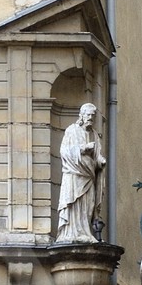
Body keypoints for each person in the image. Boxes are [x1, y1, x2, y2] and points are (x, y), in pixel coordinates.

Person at [56, 102, 106, 243]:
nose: (90, 117)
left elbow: (96, 156)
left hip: (89, 176)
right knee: (74, 204)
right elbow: (64, 152)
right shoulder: (71, 131)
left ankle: (85, 232)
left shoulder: (94, 135)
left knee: (88, 205)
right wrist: (83, 148)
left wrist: (100, 161)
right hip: (73, 175)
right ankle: (71, 233)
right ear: (82, 115)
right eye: (88, 115)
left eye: (92, 115)